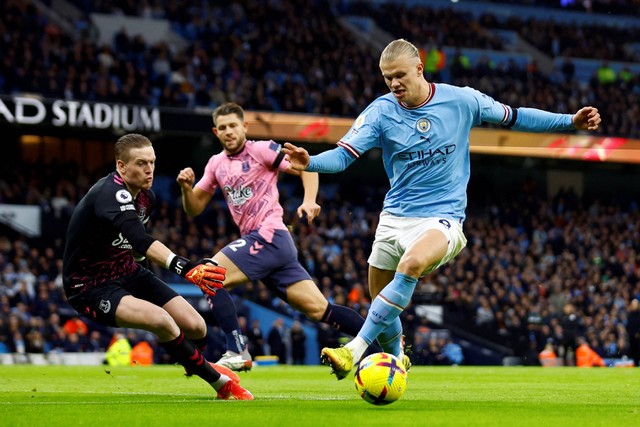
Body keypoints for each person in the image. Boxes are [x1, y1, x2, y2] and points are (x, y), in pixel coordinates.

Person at [283, 38, 601, 380]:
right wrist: (312, 161)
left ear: (420, 68)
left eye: (400, 75)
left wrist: (570, 122)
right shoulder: (380, 111)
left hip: (443, 217)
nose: (394, 84)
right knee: (381, 301)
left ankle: (354, 349)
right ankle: (395, 363)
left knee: (412, 264)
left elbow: (517, 117)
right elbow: (343, 156)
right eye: (387, 77)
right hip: (394, 218)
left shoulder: (462, 100)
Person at [176, 102, 371, 371]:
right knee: (320, 310)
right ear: (215, 132)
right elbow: (194, 208)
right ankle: (386, 349)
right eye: (223, 128)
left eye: (233, 125)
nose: (229, 131)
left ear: (244, 127)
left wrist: (309, 200)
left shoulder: (261, 149)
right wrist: (187, 189)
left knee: (209, 275)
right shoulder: (215, 164)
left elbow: (306, 166)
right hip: (267, 247)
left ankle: (236, 350)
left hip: (268, 235)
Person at [62, 133, 252, 400]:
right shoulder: (110, 194)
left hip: (128, 271)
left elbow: (137, 249)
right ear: (121, 166)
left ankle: (193, 364)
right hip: (91, 285)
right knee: (161, 320)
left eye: (152, 162)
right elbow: (140, 238)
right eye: (141, 163)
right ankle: (219, 382)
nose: (149, 169)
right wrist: (186, 269)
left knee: (196, 326)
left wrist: (147, 276)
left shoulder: (145, 197)